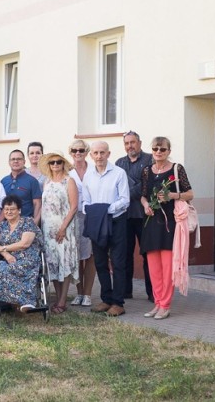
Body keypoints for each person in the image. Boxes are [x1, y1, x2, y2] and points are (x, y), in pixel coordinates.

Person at [140, 137, 194, 320]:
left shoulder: (177, 169)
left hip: (170, 224)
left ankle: (165, 305)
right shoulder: (147, 170)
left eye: (162, 149)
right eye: (155, 148)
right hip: (151, 223)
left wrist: (172, 195)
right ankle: (157, 303)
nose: (158, 152)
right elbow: (143, 195)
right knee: (153, 267)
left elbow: (190, 194)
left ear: (168, 151)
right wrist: (146, 204)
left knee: (166, 267)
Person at [82, 141, 130, 317]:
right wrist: (95, 211)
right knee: (100, 262)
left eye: (102, 152)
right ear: (91, 155)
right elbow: (84, 202)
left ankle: (118, 303)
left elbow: (125, 200)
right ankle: (106, 299)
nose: (99, 156)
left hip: (116, 222)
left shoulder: (119, 173)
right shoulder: (88, 176)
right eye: (96, 153)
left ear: (108, 154)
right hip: (97, 223)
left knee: (118, 263)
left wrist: (104, 210)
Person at [115, 130, 154, 302]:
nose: (130, 146)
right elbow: (115, 187)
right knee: (124, 254)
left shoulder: (149, 160)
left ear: (140, 143)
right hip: (124, 216)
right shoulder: (119, 163)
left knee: (148, 255)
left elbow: (148, 185)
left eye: (133, 142)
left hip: (144, 215)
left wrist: (126, 192)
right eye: (127, 143)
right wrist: (132, 190)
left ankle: (152, 293)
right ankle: (125, 291)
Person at [0, 195, 43, 312]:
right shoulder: (2, 226)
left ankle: (27, 302)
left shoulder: (28, 222)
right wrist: (6, 255)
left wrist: (2, 248)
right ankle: (10, 302)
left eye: (12, 209)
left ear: (19, 210)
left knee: (19, 266)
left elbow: (24, 244)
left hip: (28, 256)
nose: (9, 212)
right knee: (2, 268)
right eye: (6, 209)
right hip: (8, 257)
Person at [39, 151, 79, 314]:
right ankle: (57, 297)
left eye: (58, 162)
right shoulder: (46, 182)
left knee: (65, 261)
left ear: (63, 164)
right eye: (52, 162)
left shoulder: (69, 181)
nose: (55, 165)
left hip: (64, 227)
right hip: (48, 228)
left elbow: (74, 207)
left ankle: (62, 300)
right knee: (53, 262)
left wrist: (63, 228)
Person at [68, 139, 96, 307]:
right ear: (71, 152)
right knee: (77, 255)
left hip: (91, 215)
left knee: (91, 255)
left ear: (87, 152)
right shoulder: (67, 171)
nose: (77, 153)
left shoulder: (94, 170)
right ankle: (78, 293)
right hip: (73, 216)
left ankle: (88, 293)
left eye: (81, 150)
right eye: (74, 150)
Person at [1, 149, 42, 225]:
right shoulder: (3, 181)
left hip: (26, 224)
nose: (16, 161)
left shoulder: (32, 181)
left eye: (19, 159)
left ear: (24, 162)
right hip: (7, 226)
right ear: (9, 162)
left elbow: (37, 204)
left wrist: (35, 223)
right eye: (13, 159)